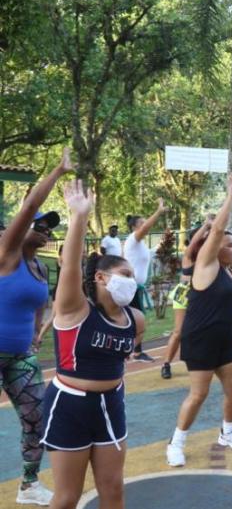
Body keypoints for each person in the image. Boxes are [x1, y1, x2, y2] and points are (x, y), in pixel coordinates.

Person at [42, 179, 145, 509]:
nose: (132, 281)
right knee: (68, 497)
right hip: (70, 405)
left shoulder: (136, 320)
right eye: (125, 274)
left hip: (111, 404)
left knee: (113, 489)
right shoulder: (74, 309)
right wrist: (80, 217)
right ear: (101, 277)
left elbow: (121, 357)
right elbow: (70, 265)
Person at [0, 149, 71, 506]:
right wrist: (58, 171)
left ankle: (28, 485)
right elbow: (28, 209)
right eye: (40, 226)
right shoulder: (6, 252)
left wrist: (34, 337)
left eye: (50, 229)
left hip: (18, 357)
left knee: (37, 417)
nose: (46, 232)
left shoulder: (41, 269)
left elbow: (40, 307)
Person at [167, 175, 232, 467]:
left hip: (224, 339)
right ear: (214, 247)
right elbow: (215, 231)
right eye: (228, 244)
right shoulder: (206, 264)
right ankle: (176, 442)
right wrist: (231, 197)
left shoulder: (228, 271)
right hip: (199, 338)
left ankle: (227, 432)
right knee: (199, 393)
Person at [161, 220, 212, 380]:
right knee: (179, 331)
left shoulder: (210, 256)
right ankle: (166, 364)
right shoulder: (189, 255)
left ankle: (203, 361)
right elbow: (195, 241)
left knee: (204, 329)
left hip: (201, 296)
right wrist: (206, 225)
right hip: (184, 295)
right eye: (203, 237)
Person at [123, 199, 167, 363]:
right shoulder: (134, 239)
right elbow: (147, 227)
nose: (146, 225)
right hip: (131, 287)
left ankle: (133, 351)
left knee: (133, 320)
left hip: (135, 288)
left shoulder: (139, 244)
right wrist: (158, 211)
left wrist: (162, 244)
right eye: (142, 223)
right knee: (137, 320)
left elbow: (148, 254)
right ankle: (133, 352)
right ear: (135, 227)